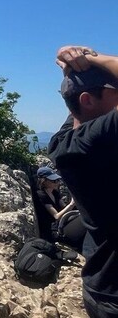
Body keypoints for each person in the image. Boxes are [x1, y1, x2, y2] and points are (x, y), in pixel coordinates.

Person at [49, 45, 118, 317]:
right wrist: (95, 59)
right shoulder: (96, 139)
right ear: (89, 100)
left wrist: (73, 67)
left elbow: (73, 101)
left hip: (100, 286)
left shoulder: (64, 142)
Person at [34, 166, 77, 242]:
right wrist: (72, 204)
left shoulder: (55, 192)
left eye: (57, 180)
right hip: (52, 230)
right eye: (53, 181)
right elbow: (56, 216)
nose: (57, 182)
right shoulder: (41, 195)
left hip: (61, 225)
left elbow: (64, 207)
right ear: (44, 181)